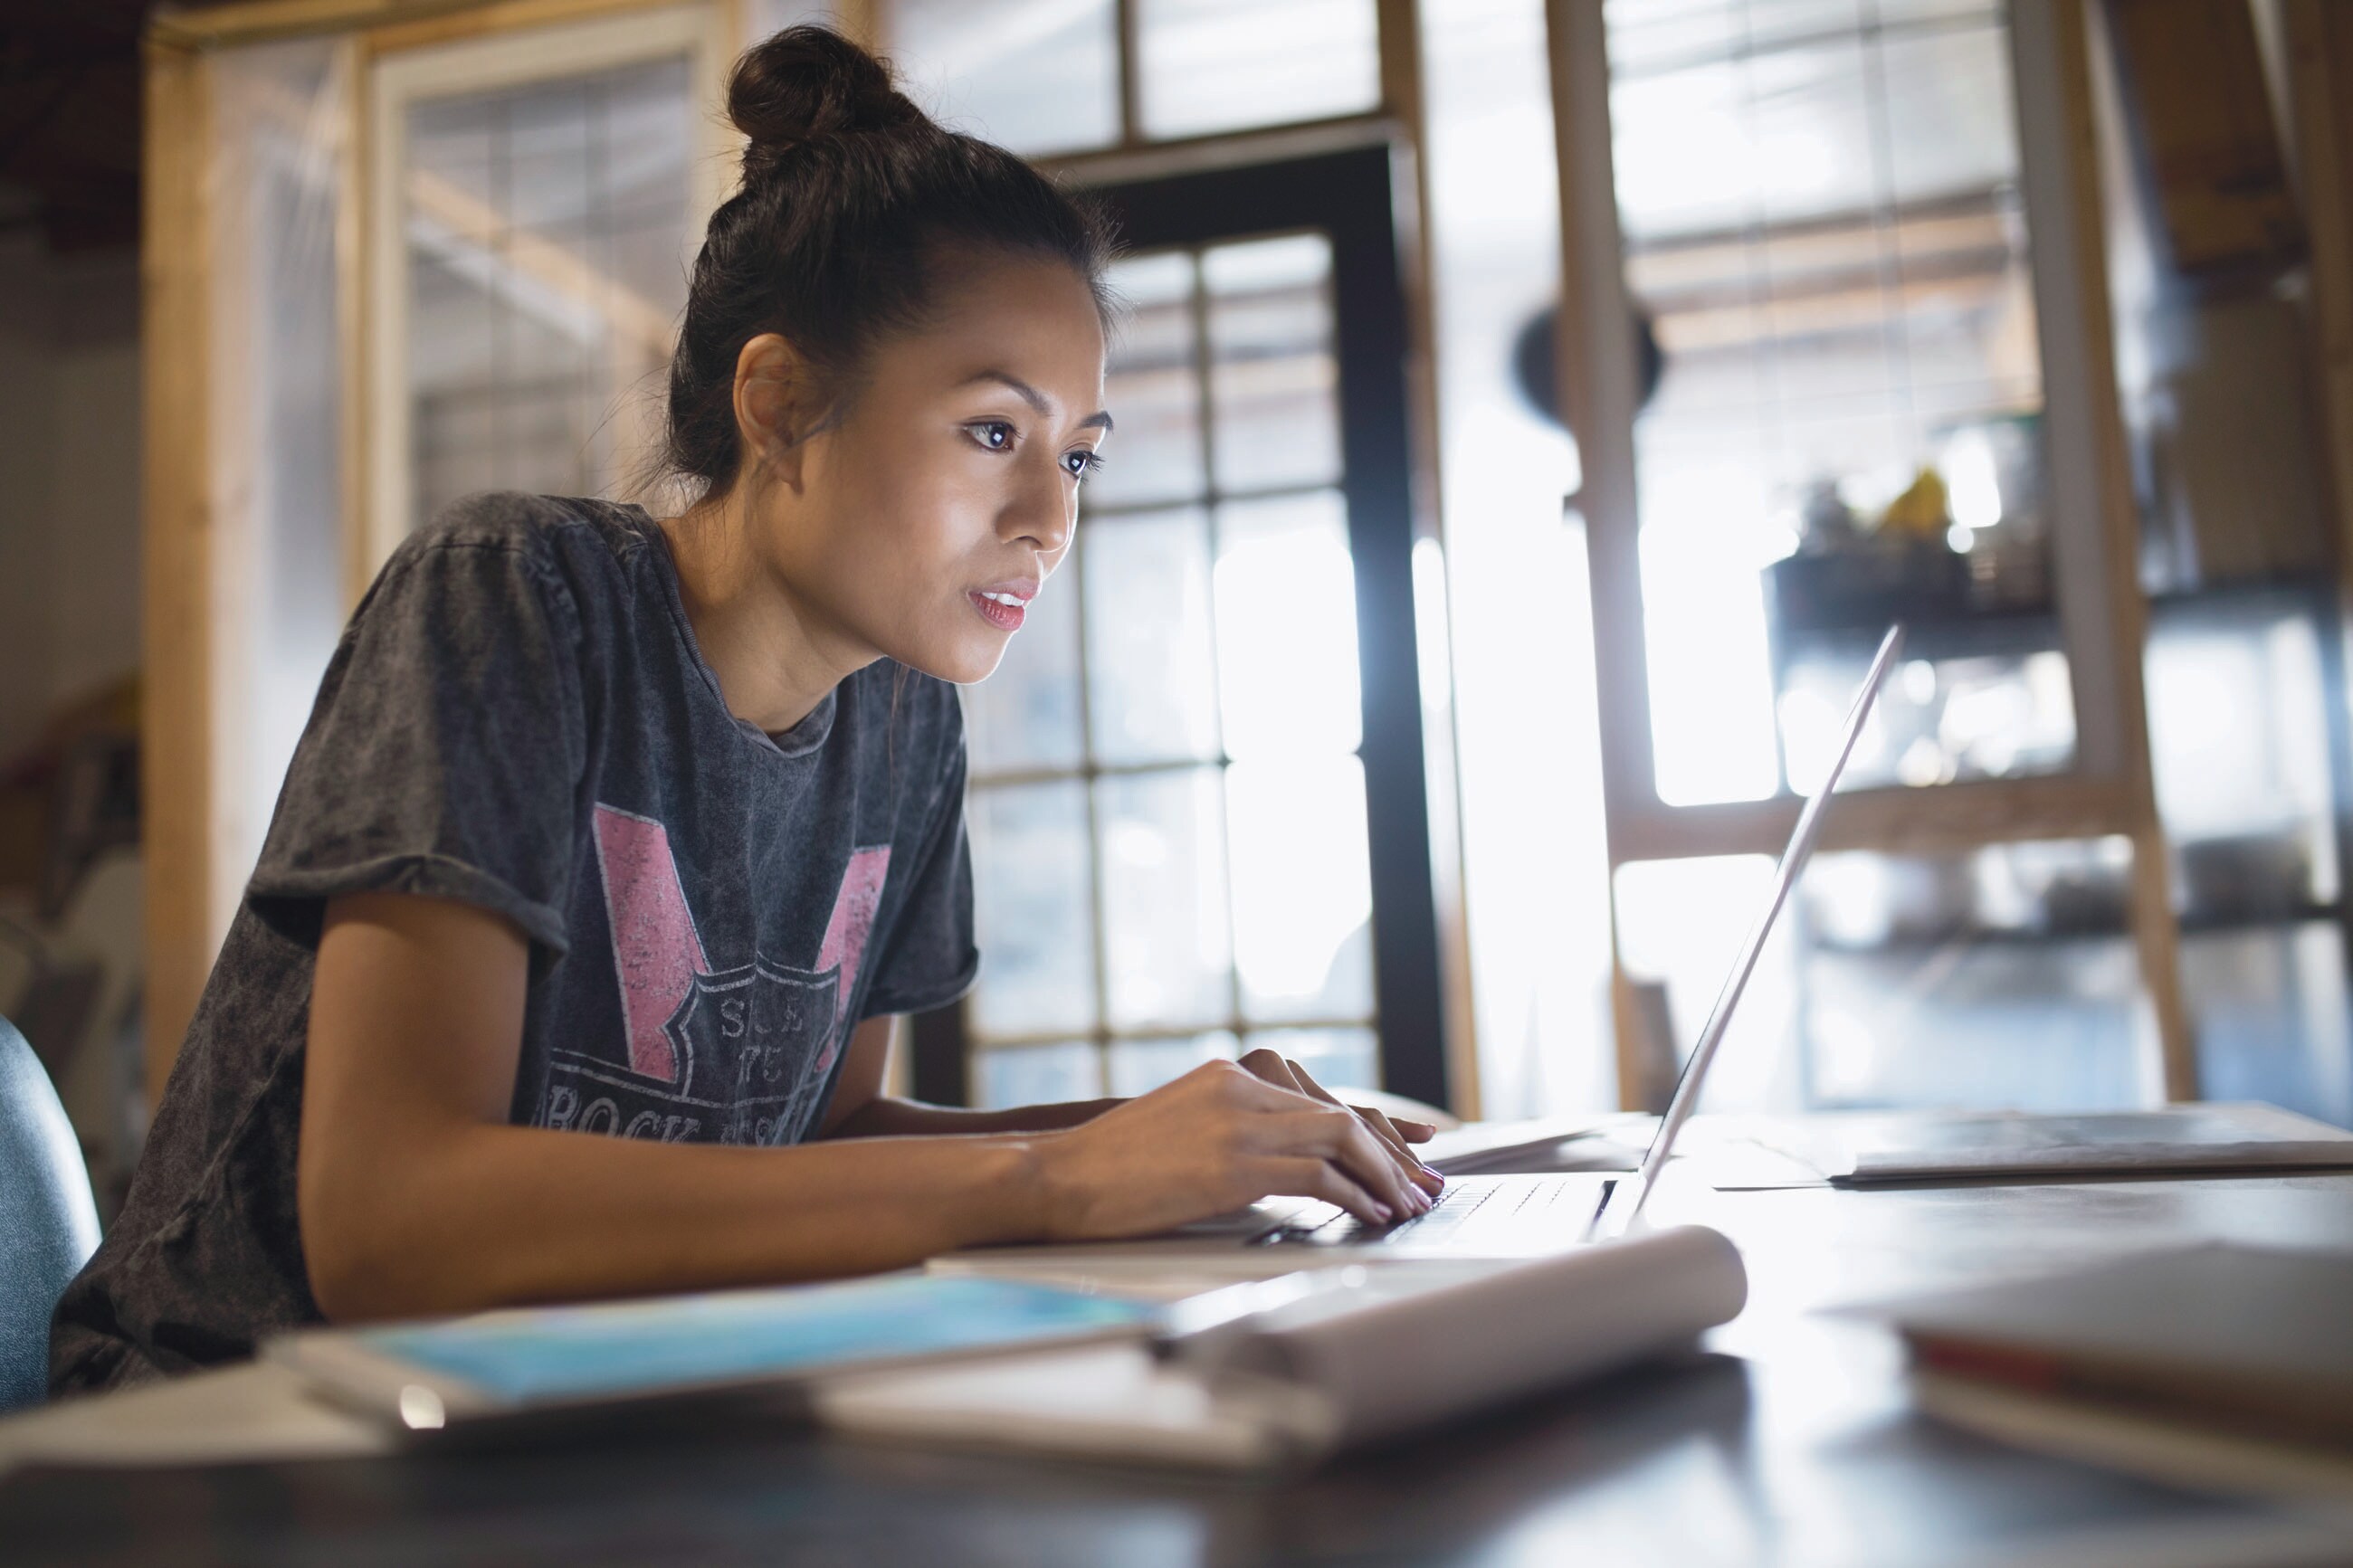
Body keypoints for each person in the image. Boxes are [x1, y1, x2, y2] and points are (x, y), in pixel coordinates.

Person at [50, 24, 1440, 1394]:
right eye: (994, 432)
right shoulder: (516, 602)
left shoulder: (903, 724)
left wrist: (1176, 1136)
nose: (1048, 518)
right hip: (226, 1416)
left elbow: (816, 1146)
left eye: (1076, 454)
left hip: (569, 1409)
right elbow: (390, 1226)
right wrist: (1054, 1175)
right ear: (777, 405)